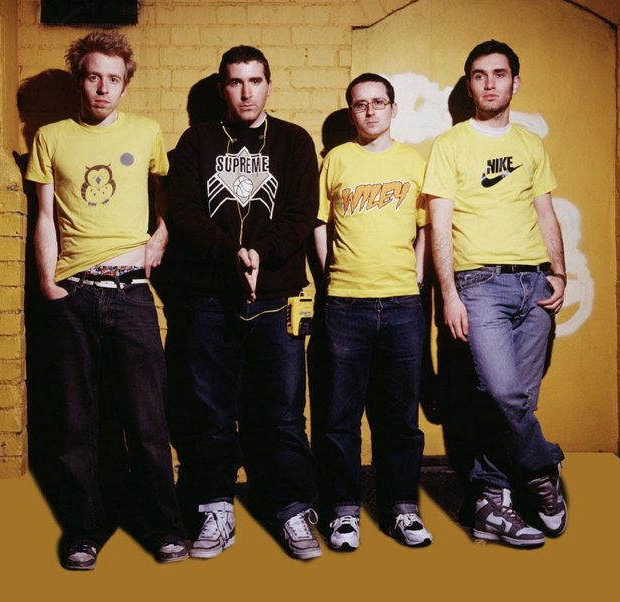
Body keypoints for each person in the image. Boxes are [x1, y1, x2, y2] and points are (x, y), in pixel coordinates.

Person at [26, 31, 186, 569]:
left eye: (113, 79)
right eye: (94, 76)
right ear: (80, 79)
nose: (103, 88)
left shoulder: (146, 132)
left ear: (124, 85)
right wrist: (48, 283)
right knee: (75, 423)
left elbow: (165, 193)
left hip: (132, 294)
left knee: (147, 421)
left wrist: (160, 236)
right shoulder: (50, 137)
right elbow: (45, 216)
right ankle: (84, 531)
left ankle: (164, 528)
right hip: (73, 295)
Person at [166, 46, 321, 560]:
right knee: (207, 411)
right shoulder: (197, 141)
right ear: (222, 89)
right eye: (236, 82)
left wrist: (260, 253)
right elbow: (185, 212)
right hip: (208, 297)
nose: (247, 92)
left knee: (281, 414)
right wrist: (231, 254)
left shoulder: (294, 141)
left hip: (276, 299)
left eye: (256, 81)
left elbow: (301, 212)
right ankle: (216, 507)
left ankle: (291, 508)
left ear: (269, 85)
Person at [424, 40, 567, 548]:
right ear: (469, 85)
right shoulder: (450, 145)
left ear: (515, 82)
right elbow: (438, 224)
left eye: (499, 73)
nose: (489, 83)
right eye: (479, 75)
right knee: (503, 393)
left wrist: (560, 273)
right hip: (479, 285)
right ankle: (542, 471)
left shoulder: (530, 144)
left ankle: (491, 504)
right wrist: (449, 294)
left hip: (535, 284)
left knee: (515, 400)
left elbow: (545, 212)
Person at [313, 73, 432, 551]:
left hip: (403, 304)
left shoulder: (414, 161)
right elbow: (319, 222)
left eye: (378, 102)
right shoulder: (336, 160)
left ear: (393, 108)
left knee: (399, 417)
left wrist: (417, 276)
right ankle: (344, 512)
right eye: (360, 104)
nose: (370, 111)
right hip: (345, 304)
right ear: (351, 113)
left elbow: (426, 225)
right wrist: (331, 275)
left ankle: (402, 510)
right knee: (339, 416)